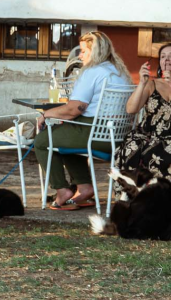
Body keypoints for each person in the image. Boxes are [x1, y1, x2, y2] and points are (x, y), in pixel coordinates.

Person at [36, 31, 132, 210]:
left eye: (83, 51)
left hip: (95, 134)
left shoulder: (93, 71)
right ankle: (84, 188)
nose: (80, 56)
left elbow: (74, 109)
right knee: (64, 135)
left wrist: (45, 115)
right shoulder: (120, 72)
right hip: (118, 137)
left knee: (42, 141)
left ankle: (62, 190)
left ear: (95, 52)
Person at [116, 42, 171, 177]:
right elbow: (130, 109)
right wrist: (142, 82)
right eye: (163, 57)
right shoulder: (151, 84)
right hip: (148, 135)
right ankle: (135, 195)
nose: (167, 60)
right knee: (133, 148)